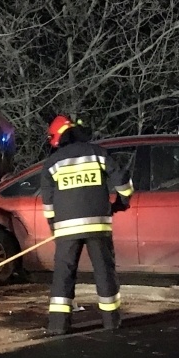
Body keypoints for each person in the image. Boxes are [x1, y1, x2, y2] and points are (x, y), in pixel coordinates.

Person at [40, 115, 134, 335]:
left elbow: (48, 204)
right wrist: (120, 204)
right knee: (104, 272)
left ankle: (58, 325)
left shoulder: (52, 164)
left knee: (63, 274)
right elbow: (123, 183)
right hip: (98, 225)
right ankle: (111, 321)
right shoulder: (98, 153)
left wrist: (55, 229)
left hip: (66, 230)